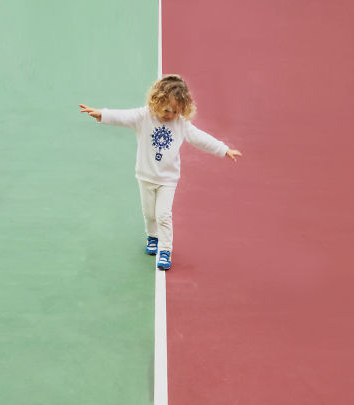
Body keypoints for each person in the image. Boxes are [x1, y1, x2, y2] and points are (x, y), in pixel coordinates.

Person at [79, 74, 242, 271]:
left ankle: (165, 249)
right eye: (166, 109)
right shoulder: (144, 116)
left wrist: (223, 149)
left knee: (163, 215)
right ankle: (153, 237)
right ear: (156, 101)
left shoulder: (180, 123)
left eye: (175, 111)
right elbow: (123, 116)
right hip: (145, 176)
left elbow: (200, 138)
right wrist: (102, 115)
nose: (170, 114)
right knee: (149, 214)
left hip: (167, 179)